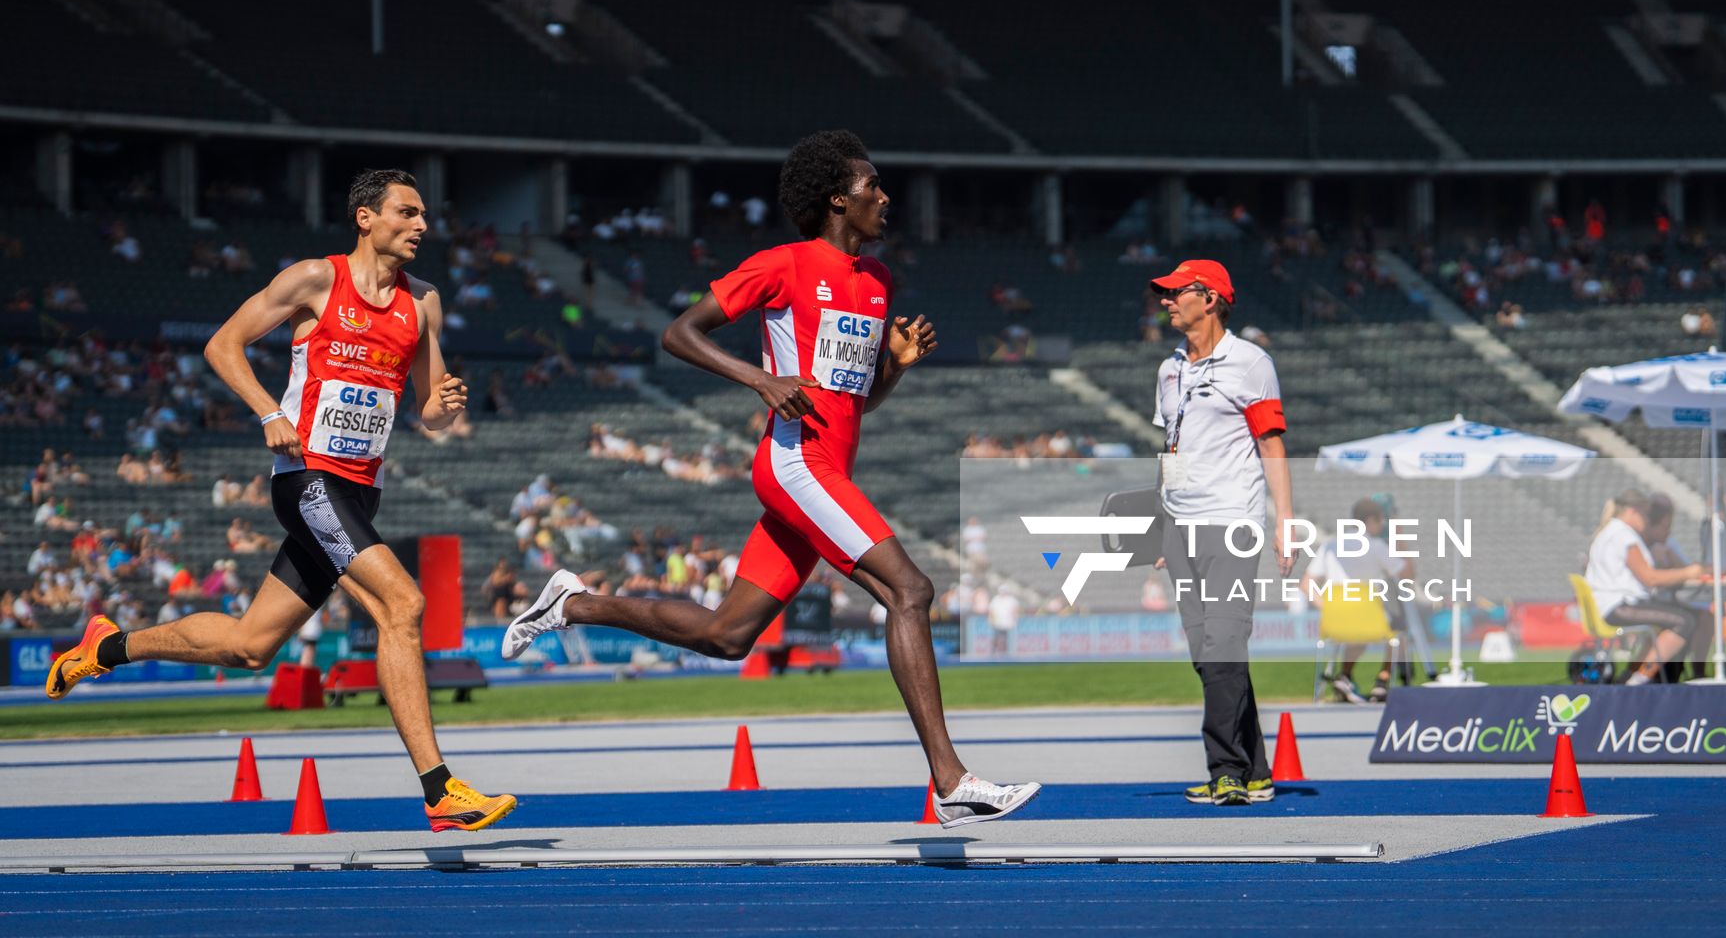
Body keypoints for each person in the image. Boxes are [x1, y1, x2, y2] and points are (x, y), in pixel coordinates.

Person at [504, 130, 1038, 827]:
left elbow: (855, 399)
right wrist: (760, 378)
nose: (885, 196)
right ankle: (951, 779)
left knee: (728, 636)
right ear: (837, 199)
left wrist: (896, 367)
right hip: (794, 465)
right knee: (911, 589)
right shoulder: (783, 265)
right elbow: (679, 333)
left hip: (824, 470)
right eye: (873, 185)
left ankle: (572, 603)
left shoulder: (876, 282)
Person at [43, 169, 514, 832]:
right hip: (307, 480)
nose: (422, 226)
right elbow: (221, 344)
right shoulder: (314, 281)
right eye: (407, 213)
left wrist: (442, 406)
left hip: (360, 493)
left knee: (249, 646)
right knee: (403, 605)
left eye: (423, 215)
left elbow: (430, 412)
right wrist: (268, 412)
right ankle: (439, 788)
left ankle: (108, 646)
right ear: (366, 218)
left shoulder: (424, 302)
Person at [1145, 260, 1298, 807]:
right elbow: (1173, 451)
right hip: (1180, 528)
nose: (1165, 300)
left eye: (1175, 292)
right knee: (1208, 655)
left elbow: (1272, 447)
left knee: (1225, 642)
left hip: (1233, 523)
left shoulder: (1252, 363)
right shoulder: (1168, 370)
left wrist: (1285, 522)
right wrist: (1162, 523)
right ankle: (1256, 769)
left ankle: (1225, 770)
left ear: (1209, 298)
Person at [1584, 490, 1709, 684]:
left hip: (1615, 605)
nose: (1647, 521)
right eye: (1644, 514)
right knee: (1684, 621)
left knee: (1674, 616)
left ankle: (1632, 676)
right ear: (1633, 512)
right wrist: (1688, 573)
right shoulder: (1624, 536)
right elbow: (1650, 578)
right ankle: (1641, 679)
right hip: (1620, 606)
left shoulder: (1612, 532)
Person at [1307, 495, 1410, 704]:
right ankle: (1383, 681)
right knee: (1399, 634)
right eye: (1380, 521)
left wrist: (1326, 607)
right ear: (1370, 520)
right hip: (1369, 622)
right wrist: (1399, 537)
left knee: (1357, 637)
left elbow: (1306, 584)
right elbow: (1407, 575)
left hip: (1334, 624)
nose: (1382, 526)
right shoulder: (1376, 546)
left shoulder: (1330, 546)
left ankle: (1344, 676)